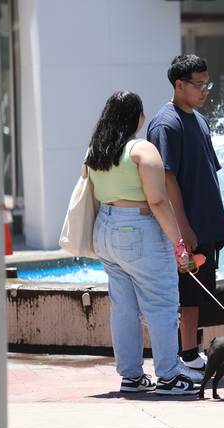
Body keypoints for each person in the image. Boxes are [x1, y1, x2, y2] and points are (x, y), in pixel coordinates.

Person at [86, 90, 201, 395]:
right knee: (161, 304)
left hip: (105, 230)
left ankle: (132, 377)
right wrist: (179, 245)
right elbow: (159, 201)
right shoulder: (142, 150)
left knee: (122, 307)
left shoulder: (95, 152)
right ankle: (168, 376)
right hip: (137, 229)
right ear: (137, 117)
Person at [147, 54, 224, 374]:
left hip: (206, 225)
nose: (205, 90)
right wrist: (182, 227)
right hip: (187, 227)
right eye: (199, 84)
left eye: (207, 83)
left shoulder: (199, 119)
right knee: (183, 293)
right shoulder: (166, 124)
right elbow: (166, 180)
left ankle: (191, 353)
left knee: (196, 292)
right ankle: (183, 356)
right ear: (178, 85)